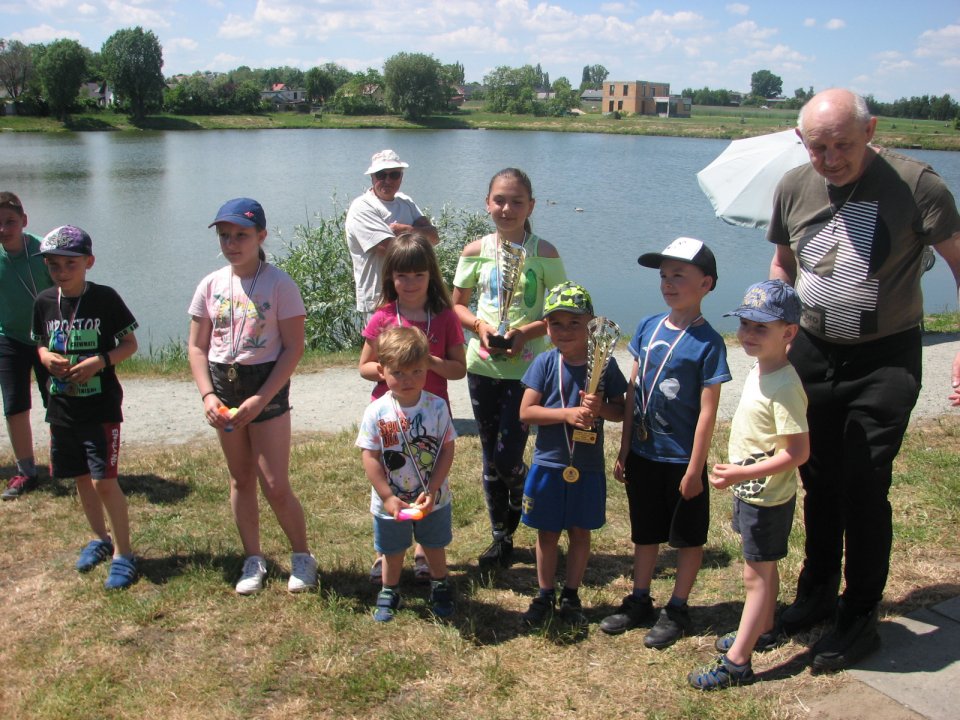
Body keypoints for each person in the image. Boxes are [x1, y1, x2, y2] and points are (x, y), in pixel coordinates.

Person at [767, 88, 960, 671]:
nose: (829, 159)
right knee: (816, 476)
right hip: (814, 352)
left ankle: (859, 614)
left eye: (842, 145)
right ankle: (817, 591)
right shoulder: (793, 186)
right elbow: (783, 260)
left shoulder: (916, 184)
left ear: (871, 129)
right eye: (817, 147)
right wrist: (777, 324)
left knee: (862, 482)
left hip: (885, 357)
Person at [601, 237, 731, 648]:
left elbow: (707, 412)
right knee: (646, 531)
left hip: (681, 461)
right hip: (643, 453)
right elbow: (635, 392)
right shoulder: (647, 326)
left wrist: (696, 469)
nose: (669, 284)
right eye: (664, 276)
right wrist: (624, 449)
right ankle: (640, 599)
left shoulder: (709, 342)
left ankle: (677, 607)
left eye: (680, 275)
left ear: (706, 283)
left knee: (687, 537)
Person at [188, 198, 317, 596]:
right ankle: (253, 558)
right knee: (241, 478)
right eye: (225, 236)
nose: (232, 243)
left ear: (261, 236)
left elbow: (293, 347)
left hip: (266, 389)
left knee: (274, 482)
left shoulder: (281, 284)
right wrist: (208, 395)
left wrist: (262, 398)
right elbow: (196, 347)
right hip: (224, 390)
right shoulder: (210, 284)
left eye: (241, 235)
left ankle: (302, 557)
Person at [688, 280, 809, 690]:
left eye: (761, 328)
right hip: (752, 492)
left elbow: (798, 452)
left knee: (755, 577)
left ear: (789, 333)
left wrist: (741, 473)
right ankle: (766, 626)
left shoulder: (786, 386)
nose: (747, 335)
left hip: (766, 497)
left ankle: (738, 660)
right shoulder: (762, 368)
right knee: (762, 567)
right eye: (744, 325)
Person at [451, 168, 567, 570]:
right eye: (499, 200)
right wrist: (481, 327)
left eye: (517, 201)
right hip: (482, 366)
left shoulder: (545, 254)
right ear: (487, 203)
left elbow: (561, 311)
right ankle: (502, 536)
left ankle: (524, 494)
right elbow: (457, 305)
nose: (507, 208)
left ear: (530, 206)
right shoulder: (474, 251)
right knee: (489, 457)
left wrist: (526, 332)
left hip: (528, 369)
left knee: (507, 458)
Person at [32, 225, 139, 589]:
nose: (62, 272)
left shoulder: (105, 298)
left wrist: (99, 361)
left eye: (70, 264)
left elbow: (130, 344)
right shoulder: (45, 301)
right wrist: (46, 358)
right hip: (62, 406)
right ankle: (100, 538)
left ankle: (124, 554)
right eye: (54, 265)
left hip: (101, 407)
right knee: (81, 478)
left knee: (104, 481)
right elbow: (41, 344)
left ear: (88, 262)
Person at [358, 232, 466, 584]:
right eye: (402, 275)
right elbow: (364, 367)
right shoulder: (384, 316)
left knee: (427, 473)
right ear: (390, 277)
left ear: (431, 276)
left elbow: (459, 369)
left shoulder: (445, 317)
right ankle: (385, 553)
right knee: (392, 476)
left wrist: (427, 362)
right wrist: (395, 370)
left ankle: (424, 550)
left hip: (432, 415)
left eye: (419, 275)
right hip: (391, 413)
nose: (410, 282)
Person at [518, 282, 626, 627]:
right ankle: (544, 593)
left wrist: (600, 408)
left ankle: (572, 593)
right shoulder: (544, 363)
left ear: (592, 324)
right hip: (549, 464)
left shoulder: (605, 365)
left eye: (574, 323)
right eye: (556, 324)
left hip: (587, 466)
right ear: (546, 327)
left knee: (580, 531)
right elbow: (526, 413)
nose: (564, 332)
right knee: (546, 533)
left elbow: (622, 411)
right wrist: (566, 414)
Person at [356, 325, 457, 622]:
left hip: (432, 499)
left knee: (434, 546)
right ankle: (389, 589)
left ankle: (440, 585)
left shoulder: (437, 408)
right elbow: (370, 456)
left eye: (416, 371)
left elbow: (446, 450)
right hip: (391, 502)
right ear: (382, 370)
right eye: (398, 373)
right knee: (392, 550)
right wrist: (387, 496)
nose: (407, 380)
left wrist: (434, 487)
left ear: (426, 368)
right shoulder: (376, 411)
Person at [0, 192, 53, 500]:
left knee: (57, 403)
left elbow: (67, 287)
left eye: (10, 222)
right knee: (14, 404)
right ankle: (25, 471)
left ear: (24, 221)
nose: (4, 229)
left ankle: (62, 463)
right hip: (10, 337)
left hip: (49, 338)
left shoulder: (44, 251)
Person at [346, 149, 439, 324]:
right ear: (372, 177)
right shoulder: (362, 207)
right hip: (379, 299)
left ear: (401, 177)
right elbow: (388, 249)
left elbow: (434, 237)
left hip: (414, 296)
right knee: (385, 351)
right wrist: (419, 235)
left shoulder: (406, 201)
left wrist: (406, 230)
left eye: (394, 174)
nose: (388, 180)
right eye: (381, 175)